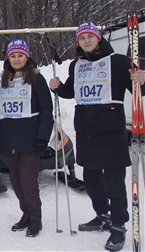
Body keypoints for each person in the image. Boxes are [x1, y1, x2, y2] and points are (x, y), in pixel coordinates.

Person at [49, 22, 145, 251]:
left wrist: (142, 79)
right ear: (78, 42)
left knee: (114, 184)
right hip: (86, 132)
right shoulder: (77, 64)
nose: (87, 41)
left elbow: (139, 89)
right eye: (82, 38)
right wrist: (58, 87)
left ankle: (119, 225)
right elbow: (71, 92)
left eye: (90, 37)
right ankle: (103, 215)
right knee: (92, 182)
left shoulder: (118, 62)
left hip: (111, 131)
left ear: (99, 38)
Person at [0, 39, 53, 237]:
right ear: (8, 58)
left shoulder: (37, 79)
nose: (16, 59)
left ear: (27, 57)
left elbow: (46, 110)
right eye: (13, 56)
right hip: (9, 139)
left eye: (20, 55)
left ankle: (36, 218)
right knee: (15, 180)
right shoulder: (3, 78)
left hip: (30, 139)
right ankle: (26, 213)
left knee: (28, 180)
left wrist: (43, 137)